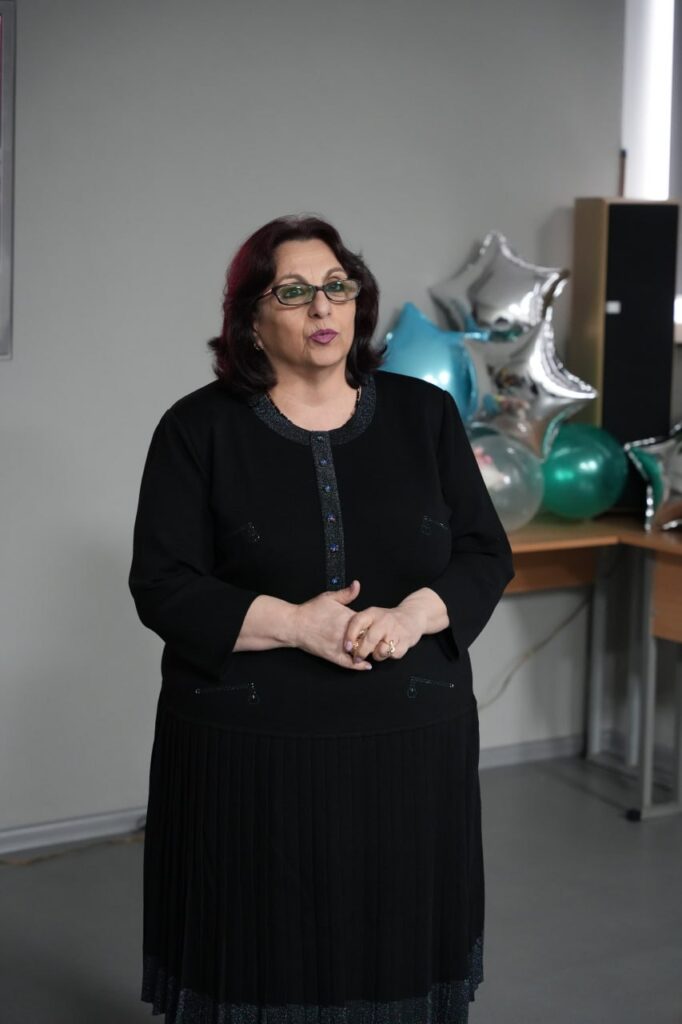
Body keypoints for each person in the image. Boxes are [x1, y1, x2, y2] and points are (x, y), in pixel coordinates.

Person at [129, 214, 514, 1024]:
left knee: (396, 942)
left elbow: (484, 552)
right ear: (250, 319)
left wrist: (413, 615)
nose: (321, 306)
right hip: (251, 751)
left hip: (411, 742)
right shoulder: (195, 429)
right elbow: (161, 585)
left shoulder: (426, 415)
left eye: (337, 286)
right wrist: (296, 624)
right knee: (260, 947)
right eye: (293, 291)